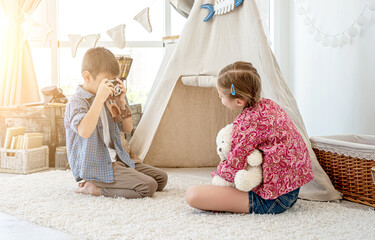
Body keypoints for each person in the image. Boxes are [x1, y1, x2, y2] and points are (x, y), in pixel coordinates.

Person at [185, 61, 314, 214]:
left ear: (239, 101)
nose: (220, 99)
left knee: (192, 195)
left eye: (221, 96)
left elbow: (235, 163)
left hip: (274, 200)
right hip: (291, 190)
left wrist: (219, 176)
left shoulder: (247, 122)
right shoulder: (270, 105)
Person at [64, 47, 168, 198]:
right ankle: (94, 189)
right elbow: (84, 131)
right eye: (105, 81)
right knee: (147, 186)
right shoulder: (77, 101)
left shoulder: (109, 98)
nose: (110, 86)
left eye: (113, 81)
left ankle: (120, 177)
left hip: (117, 158)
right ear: (87, 77)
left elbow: (127, 128)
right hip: (96, 164)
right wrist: (99, 99)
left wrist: (121, 102)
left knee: (161, 179)